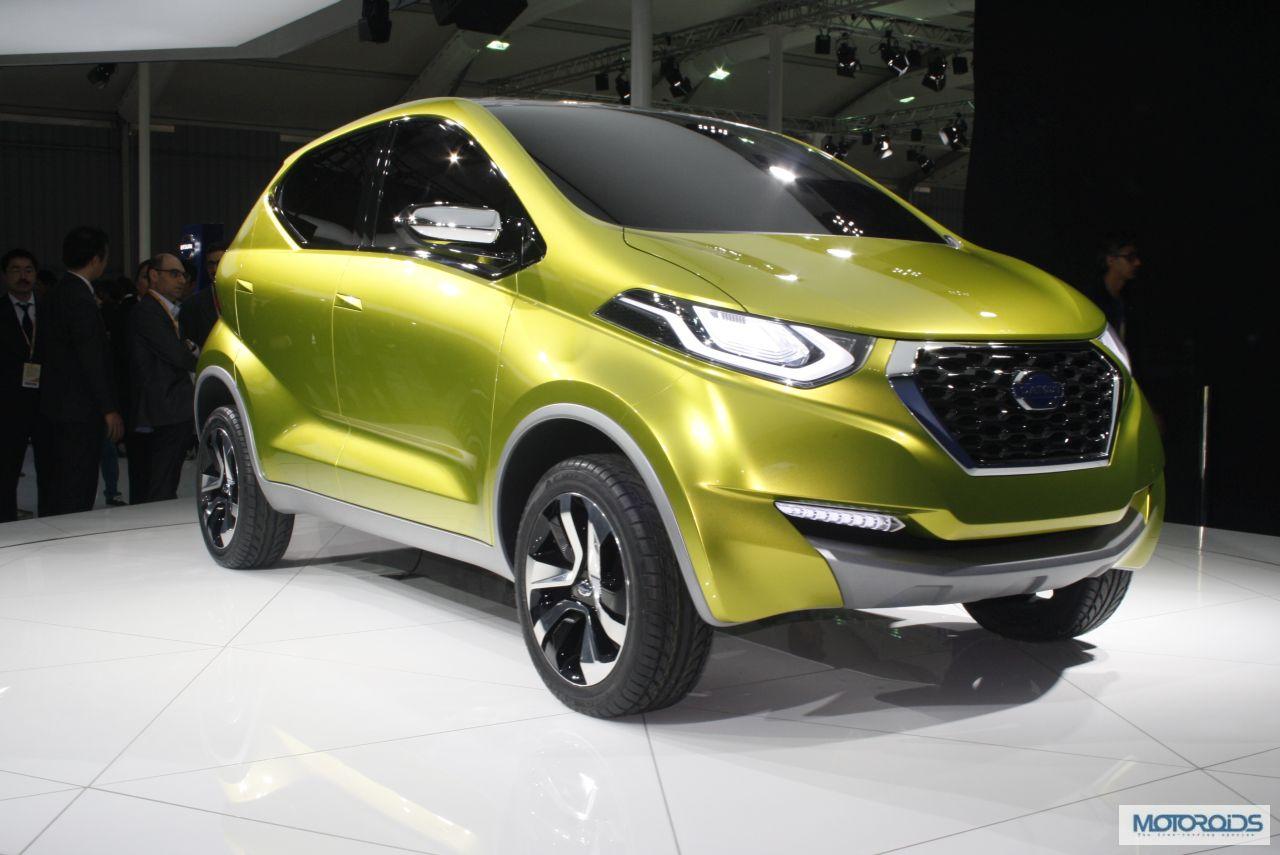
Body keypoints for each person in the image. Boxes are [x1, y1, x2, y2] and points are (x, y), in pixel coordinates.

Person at [39, 226, 123, 515]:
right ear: (97, 258)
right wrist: (109, 408)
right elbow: (92, 358)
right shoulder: (81, 299)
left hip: (53, 406)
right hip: (79, 409)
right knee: (78, 483)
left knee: (56, 482)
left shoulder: (54, 294)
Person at [131, 252, 198, 502]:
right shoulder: (148, 311)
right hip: (165, 407)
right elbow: (177, 355)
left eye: (183, 275)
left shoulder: (166, 310)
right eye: (174, 274)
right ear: (154, 275)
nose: (181, 280)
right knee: (160, 481)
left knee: (165, 479)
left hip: (172, 407)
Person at [0, 248, 51, 521]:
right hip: (8, 405)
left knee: (50, 472)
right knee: (7, 472)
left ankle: (49, 525)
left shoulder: (49, 309)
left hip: (46, 403)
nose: (23, 276)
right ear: (5, 275)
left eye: (28, 270)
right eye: (16, 270)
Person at [1080, 232, 1141, 342]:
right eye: (1130, 258)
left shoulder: (1130, 299)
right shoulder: (1091, 299)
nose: (1137, 263)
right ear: (1111, 260)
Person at [178, 242, 225, 350]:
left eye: (220, 263)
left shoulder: (247, 299)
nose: (214, 269)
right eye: (211, 264)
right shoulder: (192, 305)